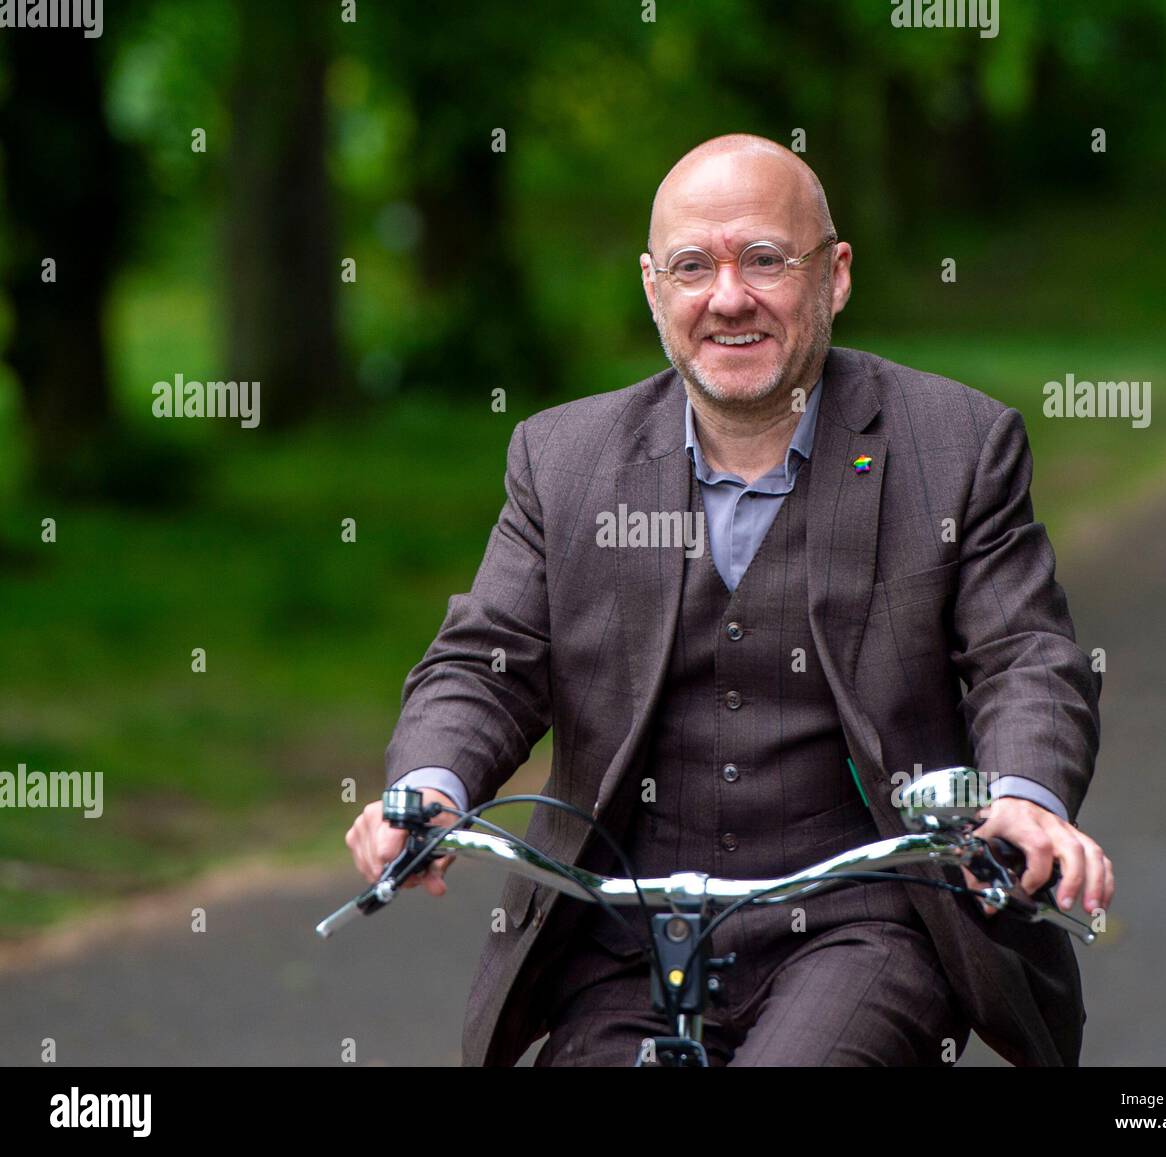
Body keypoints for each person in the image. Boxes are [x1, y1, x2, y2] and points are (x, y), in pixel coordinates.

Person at [346, 133, 1112, 1067]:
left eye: (763, 260)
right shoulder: (564, 460)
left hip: (867, 923)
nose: (729, 297)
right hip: (625, 933)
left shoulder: (955, 446)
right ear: (653, 288)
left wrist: (1025, 797)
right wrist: (431, 785)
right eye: (692, 266)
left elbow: (1025, 656)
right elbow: (488, 659)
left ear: (833, 276)